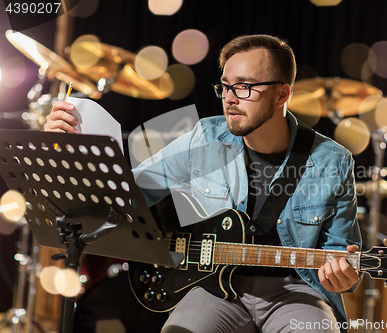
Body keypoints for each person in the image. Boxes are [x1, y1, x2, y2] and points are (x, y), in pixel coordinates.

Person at [45, 34, 362, 333]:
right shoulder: (204, 137)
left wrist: (342, 278)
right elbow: (128, 196)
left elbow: (339, 257)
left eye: (245, 87)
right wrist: (70, 151)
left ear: (283, 93)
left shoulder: (332, 161)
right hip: (213, 288)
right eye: (225, 87)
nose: (229, 99)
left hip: (295, 289)